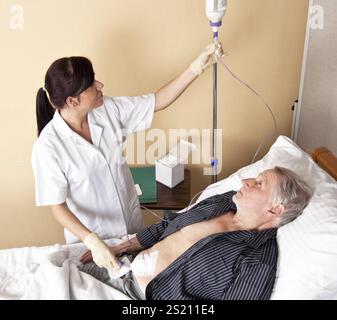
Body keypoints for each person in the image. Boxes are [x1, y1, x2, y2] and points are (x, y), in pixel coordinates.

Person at [31, 42, 224, 270]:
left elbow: (157, 101)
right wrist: (91, 240)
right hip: (92, 245)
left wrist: (196, 67)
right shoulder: (48, 147)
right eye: (92, 84)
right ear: (73, 101)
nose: (100, 84)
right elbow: (58, 206)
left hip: (131, 232)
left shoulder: (107, 110)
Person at [80, 166, 312, 300]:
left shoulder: (257, 261)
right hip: (121, 266)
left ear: (275, 208)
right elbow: (167, 225)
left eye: (260, 183)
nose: (246, 181)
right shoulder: (223, 202)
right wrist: (120, 248)